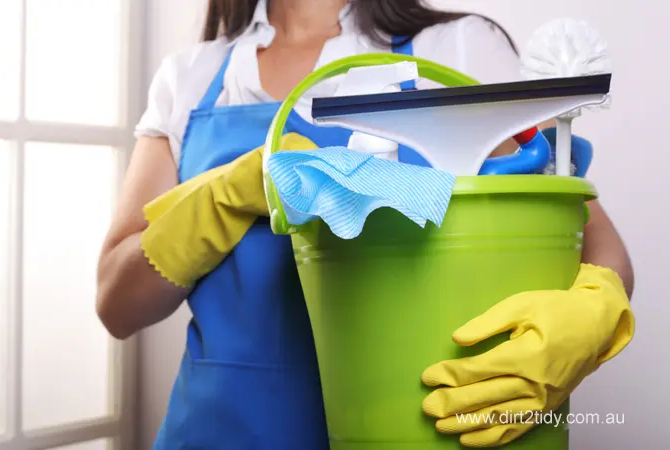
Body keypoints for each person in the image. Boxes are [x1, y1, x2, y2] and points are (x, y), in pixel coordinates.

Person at [95, 0, 635, 448]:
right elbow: (116, 306)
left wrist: (589, 313)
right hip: (218, 433)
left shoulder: (458, 49)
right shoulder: (190, 78)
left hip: (416, 424)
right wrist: (222, 199)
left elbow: (597, 248)